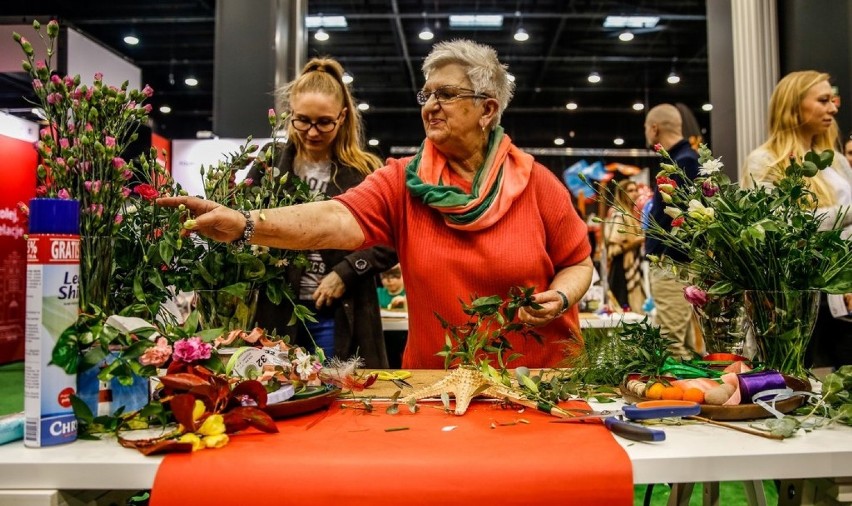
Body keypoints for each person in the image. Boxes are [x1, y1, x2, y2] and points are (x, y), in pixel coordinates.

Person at [160, 39, 593, 370]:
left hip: (534, 378)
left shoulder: (537, 183)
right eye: (426, 96)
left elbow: (579, 262)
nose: (431, 107)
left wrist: (561, 293)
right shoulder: (403, 181)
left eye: (445, 95)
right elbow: (334, 216)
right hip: (435, 381)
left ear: (487, 109)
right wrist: (243, 223)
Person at [243, 57, 397, 368]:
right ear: (290, 114)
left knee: (345, 400)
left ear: (342, 117)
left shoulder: (365, 169)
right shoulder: (269, 163)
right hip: (279, 311)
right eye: (303, 120)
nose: (312, 132)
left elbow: (393, 236)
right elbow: (242, 220)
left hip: (343, 310)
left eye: (324, 122)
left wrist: (347, 271)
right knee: (280, 398)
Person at [744, 70, 852, 369]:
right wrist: (845, 216)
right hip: (795, 297)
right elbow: (777, 227)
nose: (833, 108)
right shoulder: (765, 161)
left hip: (842, 291)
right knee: (799, 381)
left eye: (833, 100)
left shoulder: (836, 160)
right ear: (793, 106)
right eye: (823, 100)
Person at [643, 103, 701, 358]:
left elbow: (684, 221)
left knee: (671, 343)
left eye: (646, 127)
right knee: (682, 343)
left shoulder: (684, 163)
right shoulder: (684, 160)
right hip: (677, 265)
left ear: (654, 128)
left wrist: (667, 257)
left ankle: (678, 398)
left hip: (674, 266)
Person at [605, 179, 645, 312]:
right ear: (622, 193)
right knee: (624, 310)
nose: (635, 194)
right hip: (621, 266)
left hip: (632, 262)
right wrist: (640, 239)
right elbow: (615, 248)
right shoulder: (619, 214)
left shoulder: (629, 213)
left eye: (636, 190)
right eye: (630, 190)